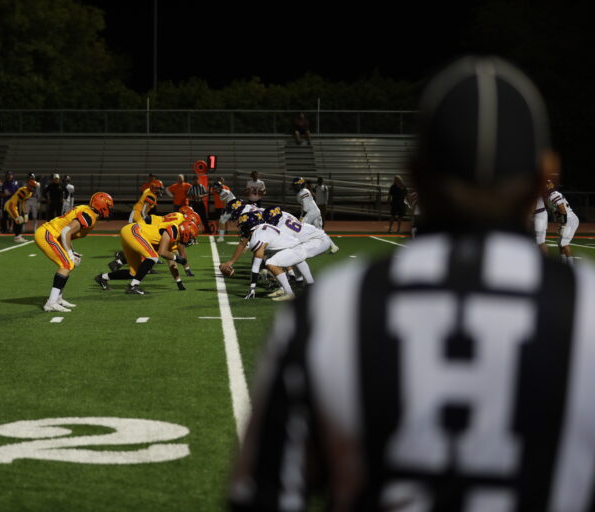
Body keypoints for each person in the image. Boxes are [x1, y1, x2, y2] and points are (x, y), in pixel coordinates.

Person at [230, 56, 595, 511]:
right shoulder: (586, 310)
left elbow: (263, 492)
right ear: (544, 177)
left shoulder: (334, 307)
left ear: (417, 174)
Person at [35, 192, 113, 312]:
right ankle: (50, 303)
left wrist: (72, 251)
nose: (110, 209)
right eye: (109, 206)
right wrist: (70, 254)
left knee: (69, 265)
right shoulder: (89, 216)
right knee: (66, 264)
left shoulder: (88, 212)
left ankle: (58, 299)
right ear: (102, 205)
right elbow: (66, 232)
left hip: (53, 235)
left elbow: (67, 234)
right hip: (48, 234)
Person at [94, 217, 198, 295]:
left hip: (131, 233)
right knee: (153, 257)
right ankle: (133, 286)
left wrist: (179, 282)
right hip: (134, 231)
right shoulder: (174, 229)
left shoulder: (174, 240)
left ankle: (103, 277)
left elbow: (171, 262)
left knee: (134, 273)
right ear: (186, 232)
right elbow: (162, 252)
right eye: (191, 237)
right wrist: (178, 258)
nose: (191, 240)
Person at [294, 176, 339, 253]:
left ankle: (299, 247)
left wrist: (301, 217)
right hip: (314, 212)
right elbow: (305, 206)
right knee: (319, 231)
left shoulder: (303, 192)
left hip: (311, 213)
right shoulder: (303, 191)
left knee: (300, 228)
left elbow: (305, 207)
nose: (294, 186)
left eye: (295, 185)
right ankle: (334, 246)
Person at [546, 180, 578, 265]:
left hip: (570, 219)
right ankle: (563, 262)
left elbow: (562, 209)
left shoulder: (553, 195)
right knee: (559, 242)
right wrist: (560, 223)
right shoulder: (549, 197)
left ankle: (570, 264)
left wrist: (563, 224)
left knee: (564, 242)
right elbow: (556, 212)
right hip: (565, 219)